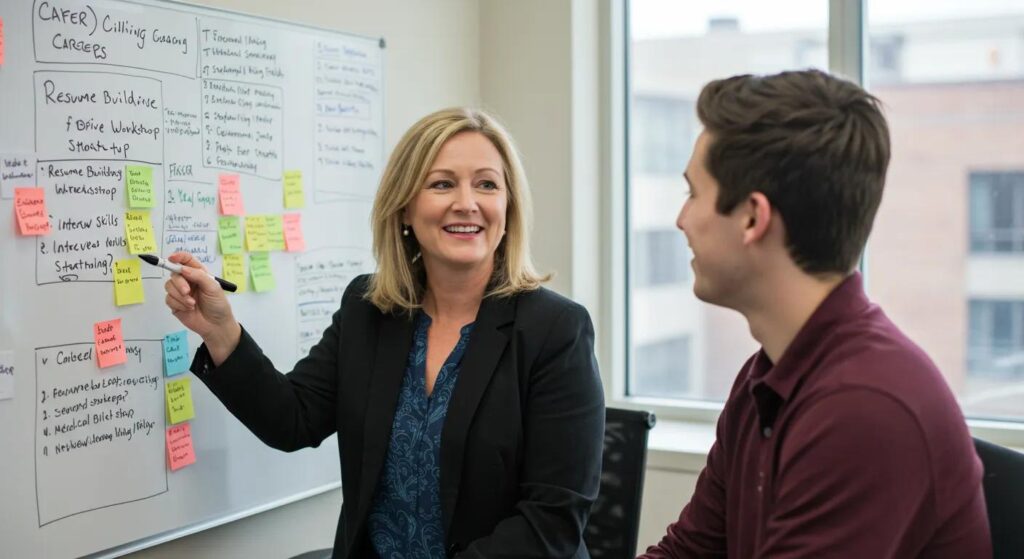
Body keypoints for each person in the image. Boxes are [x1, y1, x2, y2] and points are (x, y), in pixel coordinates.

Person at [163, 108, 605, 558]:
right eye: (442, 184)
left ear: (508, 209)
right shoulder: (369, 309)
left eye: (487, 184)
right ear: (406, 206)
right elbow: (292, 419)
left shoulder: (556, 331)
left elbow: (552, 521)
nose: (467, 202)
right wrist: (221, 330)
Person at [639, 70, 991, 558]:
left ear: (752, 218)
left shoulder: (864, 407)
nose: (682, 220)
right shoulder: (765, 378)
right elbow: (689, 553)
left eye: (693, 194)